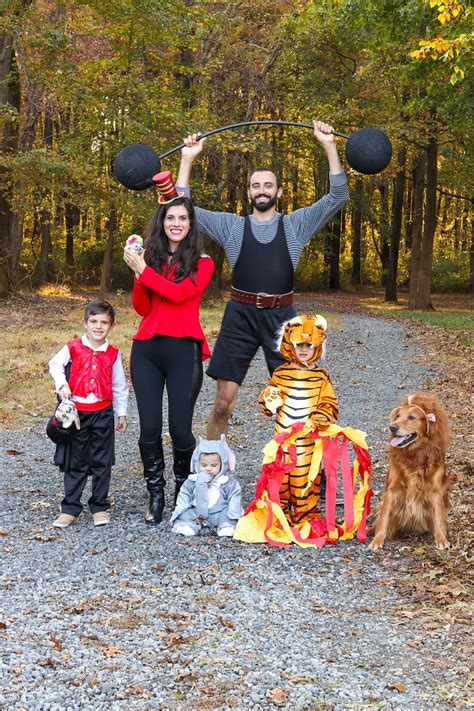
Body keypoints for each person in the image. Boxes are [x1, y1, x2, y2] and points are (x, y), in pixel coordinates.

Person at [176, 120, 349, 439]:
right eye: (256, 186)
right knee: (222, 407)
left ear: (279, 192)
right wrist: (187, 159)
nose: (262, 191)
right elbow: (180, 209)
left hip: (283, 319)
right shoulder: (231, 226)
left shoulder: (296, 224)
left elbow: (338, 196)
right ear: (249, 192)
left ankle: (306, 474)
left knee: (298, 403)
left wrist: (328, 145)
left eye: (268, 185)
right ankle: (211, 473)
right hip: (238, 317)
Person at [123, 171, 214, 525]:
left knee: (179, 429)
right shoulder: (150, 258)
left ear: (191, 225)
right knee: (148, 429)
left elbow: (179, 295)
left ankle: (183, 490)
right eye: (171, 218)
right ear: (162, 222)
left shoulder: (203, 264)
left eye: (183, 218)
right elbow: (143, 308)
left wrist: (143, 271)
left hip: (183, 351)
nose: (176, 223)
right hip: (146, 350)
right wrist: (138, 272)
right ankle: (156, 494)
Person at [234, 314, 372, 548]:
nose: (305, 349)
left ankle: (304, 517)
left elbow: (329, 404)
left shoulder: (320, 377)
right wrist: (269, 399)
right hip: (283, 444)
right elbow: (268, 401)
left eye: (310, 345)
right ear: (290, 346)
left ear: (317, 346)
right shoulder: (280, 374)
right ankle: (281, 516)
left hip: (308, 445)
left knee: (305, 482)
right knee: (280, 481)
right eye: (300, 345)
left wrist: (320, 417)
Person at [48, 300, 128, 528]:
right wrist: (62, 384)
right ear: (85, 323)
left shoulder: (113, 353)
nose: (98, 326)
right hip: (78, 415)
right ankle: (70, 508)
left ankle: (99, 506)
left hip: (103, 413)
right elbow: (54, 364)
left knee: (102, 461)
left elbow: (119, 385)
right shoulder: (73, 347)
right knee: (77, 460)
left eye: (104, 322)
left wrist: (121, 413)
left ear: (111, 326)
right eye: (94, 321)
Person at [170, 435, 243, 537]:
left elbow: (234, 495)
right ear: (197, 463)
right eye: (204, 465)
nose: (208, 469)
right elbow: (184, 493)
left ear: (222, 464)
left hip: (219, 511)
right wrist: (182, 507)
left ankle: (226, 526)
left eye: (214, 465)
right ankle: (187, 526)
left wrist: (234, 512)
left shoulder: (226, 482)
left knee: (227, 514)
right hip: (196, 512)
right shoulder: (192, 481)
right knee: (186, 513)